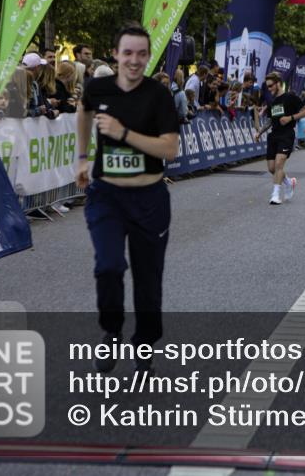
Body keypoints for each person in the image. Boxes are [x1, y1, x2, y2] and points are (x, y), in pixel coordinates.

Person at [75, 22, 180, 373]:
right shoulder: (98, 86)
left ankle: (145, 341)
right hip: (107, 195)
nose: (134, 61)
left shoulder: (158, 95)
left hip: (149, 198)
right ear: (116, 54)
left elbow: (170, 149)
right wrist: (81, 157)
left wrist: (123, 133)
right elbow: (84, 110)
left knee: (148, 278)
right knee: (108, 266)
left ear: (149, 57)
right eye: (127, 53)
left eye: (141, 54)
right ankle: (112, 331)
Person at [255, 72, 305, 205]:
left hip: (287, 134)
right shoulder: (273, 102)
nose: (269, 89)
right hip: (274, 135)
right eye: (267, 87)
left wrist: (290, 118)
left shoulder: (290, 97)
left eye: (271, 85)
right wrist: (260, 132)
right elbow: (270, 121)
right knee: (272, 168)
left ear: (278, 83)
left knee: (279, 164)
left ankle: (276, 195)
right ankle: (289, 182)